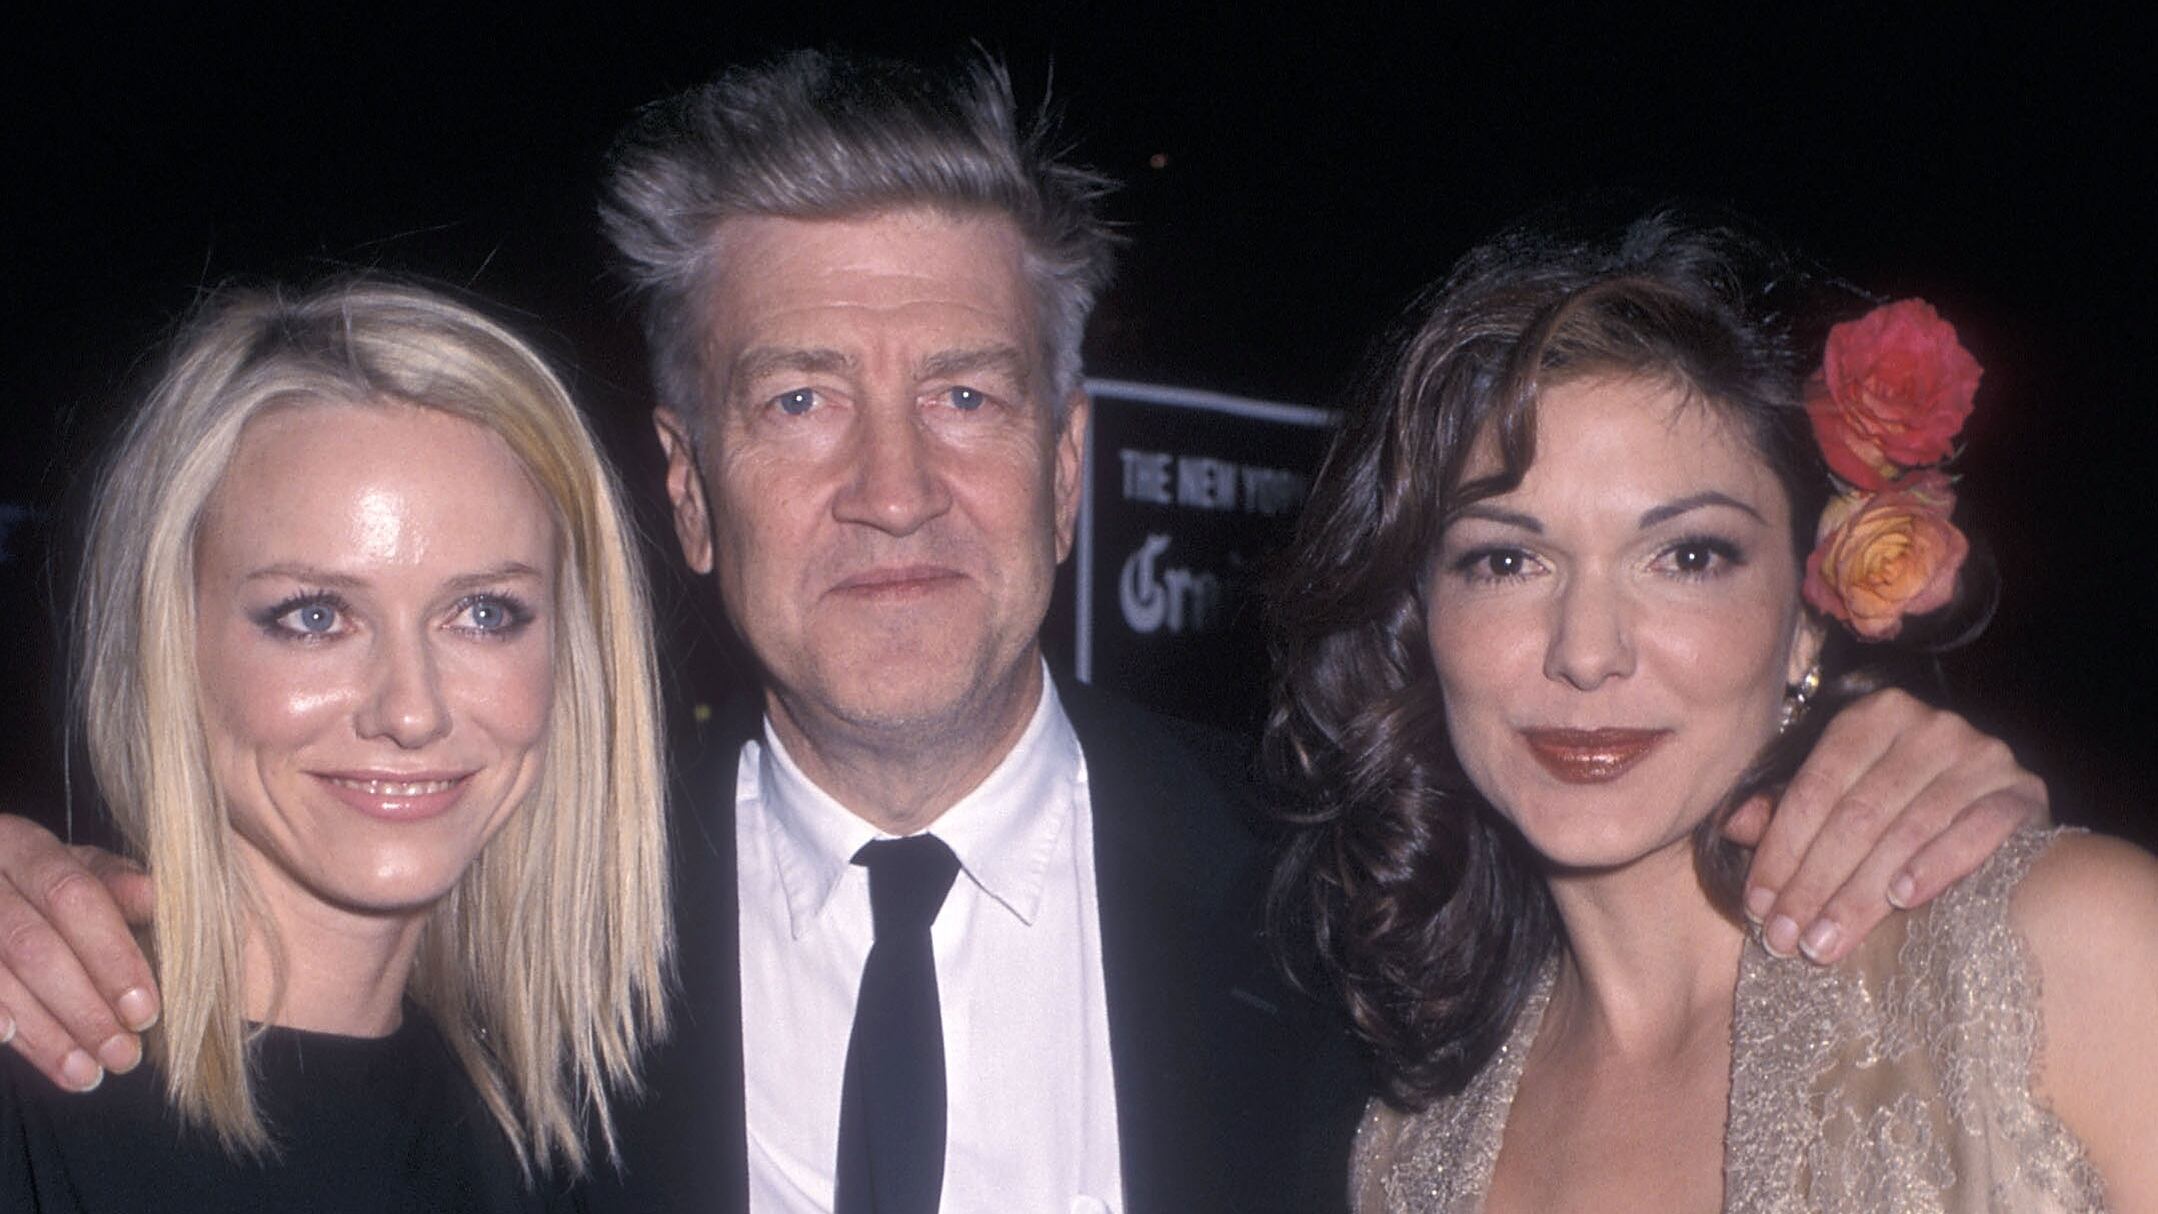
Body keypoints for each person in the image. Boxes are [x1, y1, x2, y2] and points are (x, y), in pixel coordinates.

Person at [1, 50, 2048, 1214]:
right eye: (799, 399)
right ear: (688, 485)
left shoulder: (1365, 915)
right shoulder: (510, 930)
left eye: (964, 397)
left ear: (1070, 466)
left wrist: (1868, 751)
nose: (892, 487)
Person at [1269, 210, 2158, 1211]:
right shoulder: (1400, 1147)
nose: (1587, 649)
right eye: (1507, 559)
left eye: (1688, 556)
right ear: (1422, 619)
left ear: (1806, 621)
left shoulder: (2065, 956)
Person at [0, 278, 671, 1211]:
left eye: (485, 613)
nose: (412, 710)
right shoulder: (33, 1092)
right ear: (170, 645)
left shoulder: (546, 1144)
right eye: (314, 615)